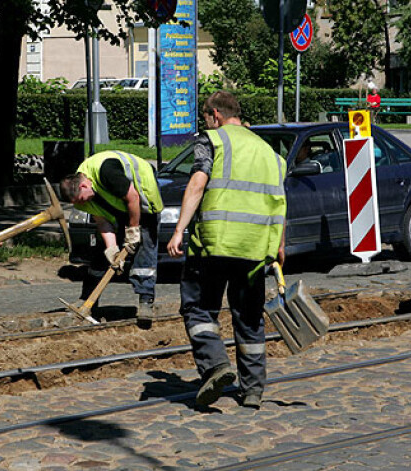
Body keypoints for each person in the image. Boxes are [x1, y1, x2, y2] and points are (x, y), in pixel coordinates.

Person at [167, 91, 286, 410]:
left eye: (205, 115)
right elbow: (279, 203)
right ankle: (252, 390)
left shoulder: (213, 141)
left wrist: (179, 229)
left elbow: (197, 183)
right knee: (249, 318)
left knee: (198, 307)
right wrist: (278, 248)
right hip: (255, 248)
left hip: (214, 244)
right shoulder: (270, 153)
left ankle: (216, 365)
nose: (204, 121)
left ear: (215, 115)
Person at [60, 151, 163, 325]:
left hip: (143, 197)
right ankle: (88, 300)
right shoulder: (84, 193)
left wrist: (133, 231)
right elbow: (102, 220)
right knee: (100, 254)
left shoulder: (106, 171)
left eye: (81, 200)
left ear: (84, 186)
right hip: (122, 205)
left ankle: (146, 301)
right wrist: (111, 248)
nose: (82, 204)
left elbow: (133, 198)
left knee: (144, 249)